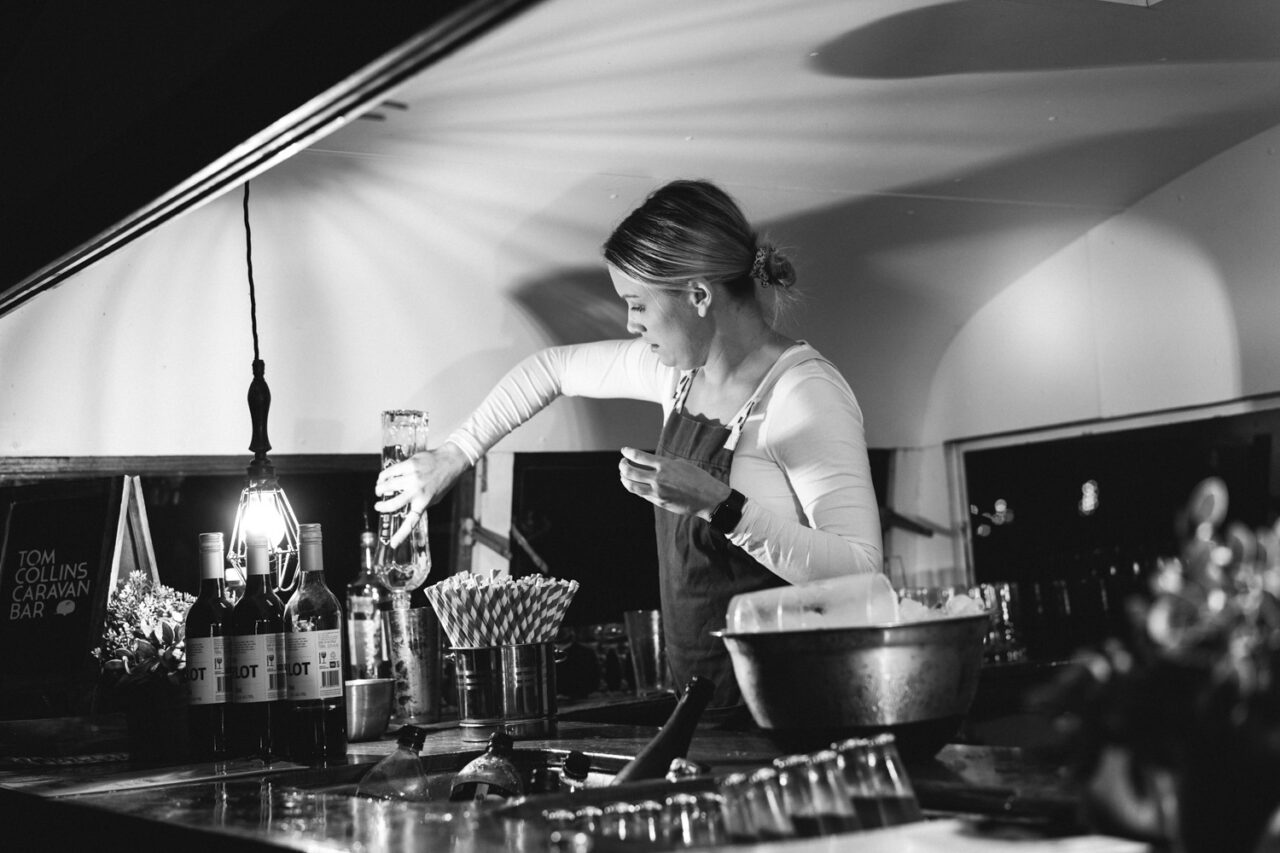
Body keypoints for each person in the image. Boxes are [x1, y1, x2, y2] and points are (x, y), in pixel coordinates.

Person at [375, 179, 882, 710]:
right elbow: (551, 369)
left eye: (638, 303)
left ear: (699, 296)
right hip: (704, 709)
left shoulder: (802, 393)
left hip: (795, 711)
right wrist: (454, 455)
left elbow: (861, 573)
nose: (629, 323)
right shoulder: (680, 376)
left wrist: (719, 505)